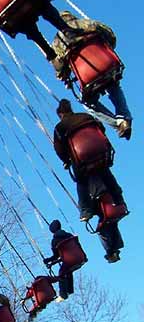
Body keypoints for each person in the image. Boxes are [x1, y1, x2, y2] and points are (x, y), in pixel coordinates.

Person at [54, 99, 127, 263]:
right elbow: (100, 128)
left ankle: (86, 211)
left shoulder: (60, 127)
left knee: (85, 190)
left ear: (60, 114)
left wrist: (66, 160)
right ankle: (119, 198)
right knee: (109, 192)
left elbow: (59, 148)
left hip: (83, 167)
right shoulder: (85, 116)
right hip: (100, 158)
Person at [52, 11, 132, 139]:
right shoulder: (88, 23)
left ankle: (117, 123)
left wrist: (65, 76)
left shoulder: (59, 39)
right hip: (107, 65)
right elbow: (111, 35)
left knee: (88, 102)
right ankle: (124, 117)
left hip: (87, 77)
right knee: (114, 85)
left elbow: (59, 68)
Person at [43, 220, 77, 302]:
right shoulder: (69, 235)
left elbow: (56, 256)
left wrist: (48, 260)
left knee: (61, 273)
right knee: (68, 270)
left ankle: (63, 294)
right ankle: (69, 290)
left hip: (69, 260)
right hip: (79, 257)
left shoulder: (55, 241)